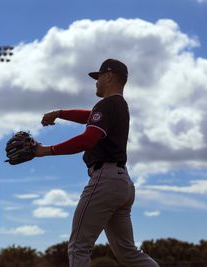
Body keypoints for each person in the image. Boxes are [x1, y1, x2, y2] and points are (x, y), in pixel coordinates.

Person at [35, 59, 159, 267]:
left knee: (78, 247)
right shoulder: (118, 105)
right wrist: (60, 113)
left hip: (105, 179)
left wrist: (46, 150)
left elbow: (89, 138)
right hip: (122, 184)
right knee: (129, 253)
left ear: (109, 76)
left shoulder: (107, 104)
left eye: (98, 76)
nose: (96, 82)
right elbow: (91, 117)